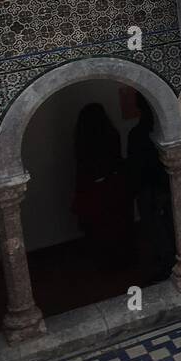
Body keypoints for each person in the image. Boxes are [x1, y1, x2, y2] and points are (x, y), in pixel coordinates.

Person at [73, 102, 131, 259]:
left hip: (93, 192)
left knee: (100, 228)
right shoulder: (112, 134)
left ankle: (106, 260)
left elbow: (83, 167)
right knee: (118, 225)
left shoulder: (83, 141)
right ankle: (123, 257)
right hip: (114, 187)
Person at [126, 95, 175, 273]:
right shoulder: (151, 131)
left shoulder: (137, 134)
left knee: (157, 229)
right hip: (163, 186)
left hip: (150, 190)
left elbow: (135, 164)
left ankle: (166, 264)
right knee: (167, 226)